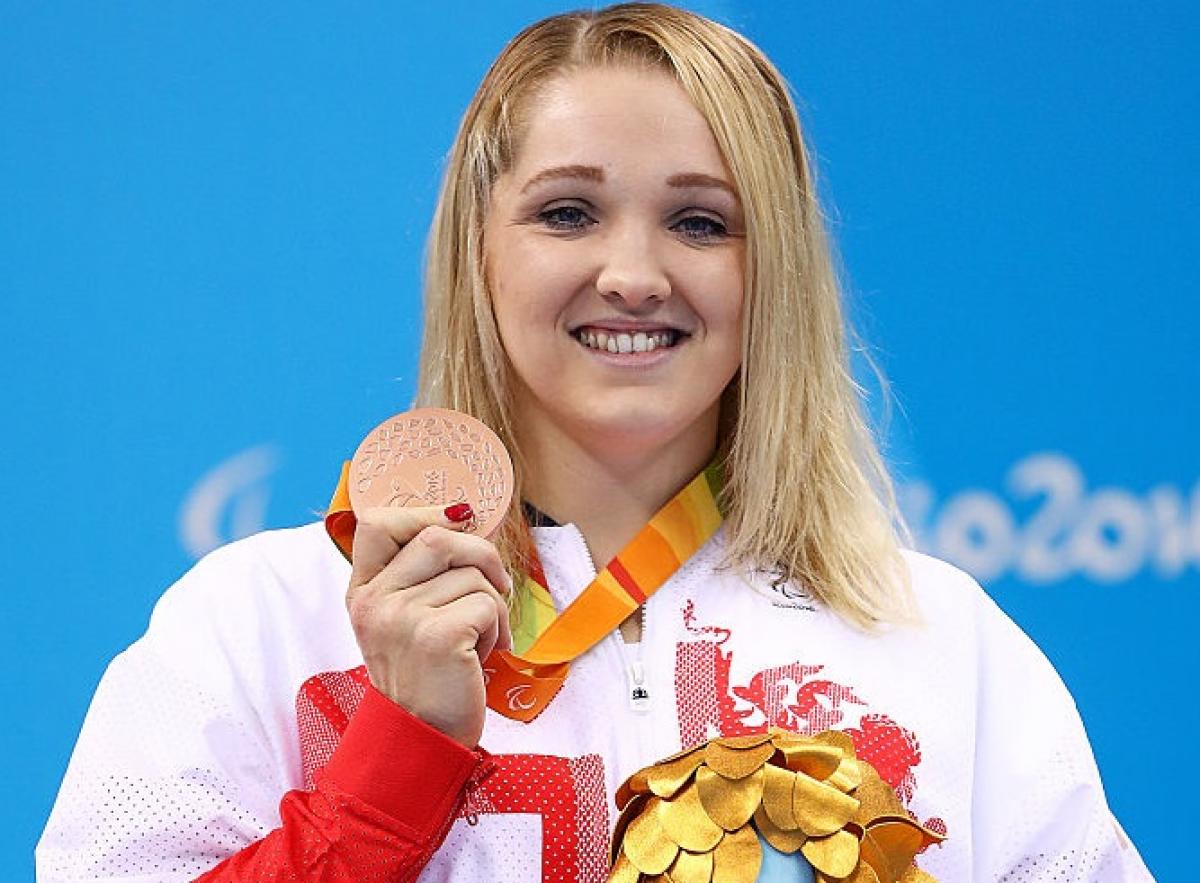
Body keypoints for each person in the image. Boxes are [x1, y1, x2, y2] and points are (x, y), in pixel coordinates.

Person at [38, 4, 1152, 881]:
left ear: (773, 276)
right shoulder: (258, 620)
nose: (633, 271)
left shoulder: (937, 641)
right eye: (568, 212)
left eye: (701, 221)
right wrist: (393, 761)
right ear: (481, 252)